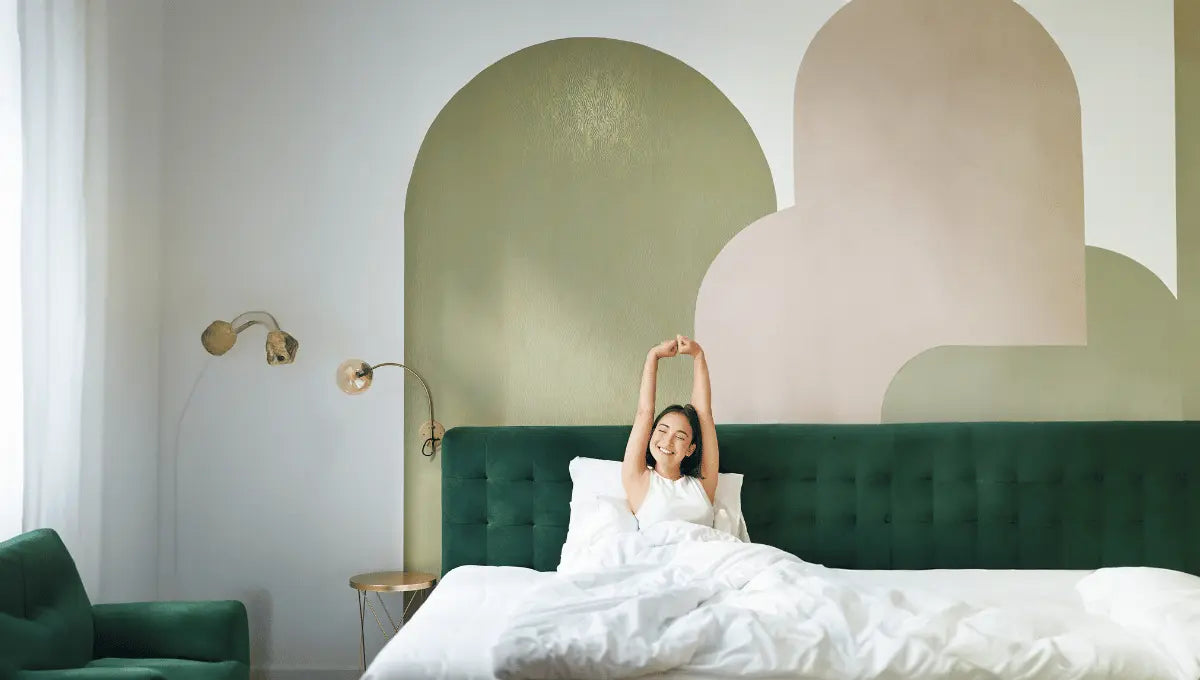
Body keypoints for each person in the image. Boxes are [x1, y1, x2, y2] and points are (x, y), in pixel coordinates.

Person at [621, 334, 720, 530]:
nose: (667, 441)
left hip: (707, 554)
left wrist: (698, 356)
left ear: (691, 449)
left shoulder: (702, 485)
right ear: (651, 434)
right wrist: (653, 356)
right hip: (662, 557)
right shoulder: (638, 480)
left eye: (680, 436)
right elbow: (644, 413)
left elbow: (704, 415)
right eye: (662, 430)